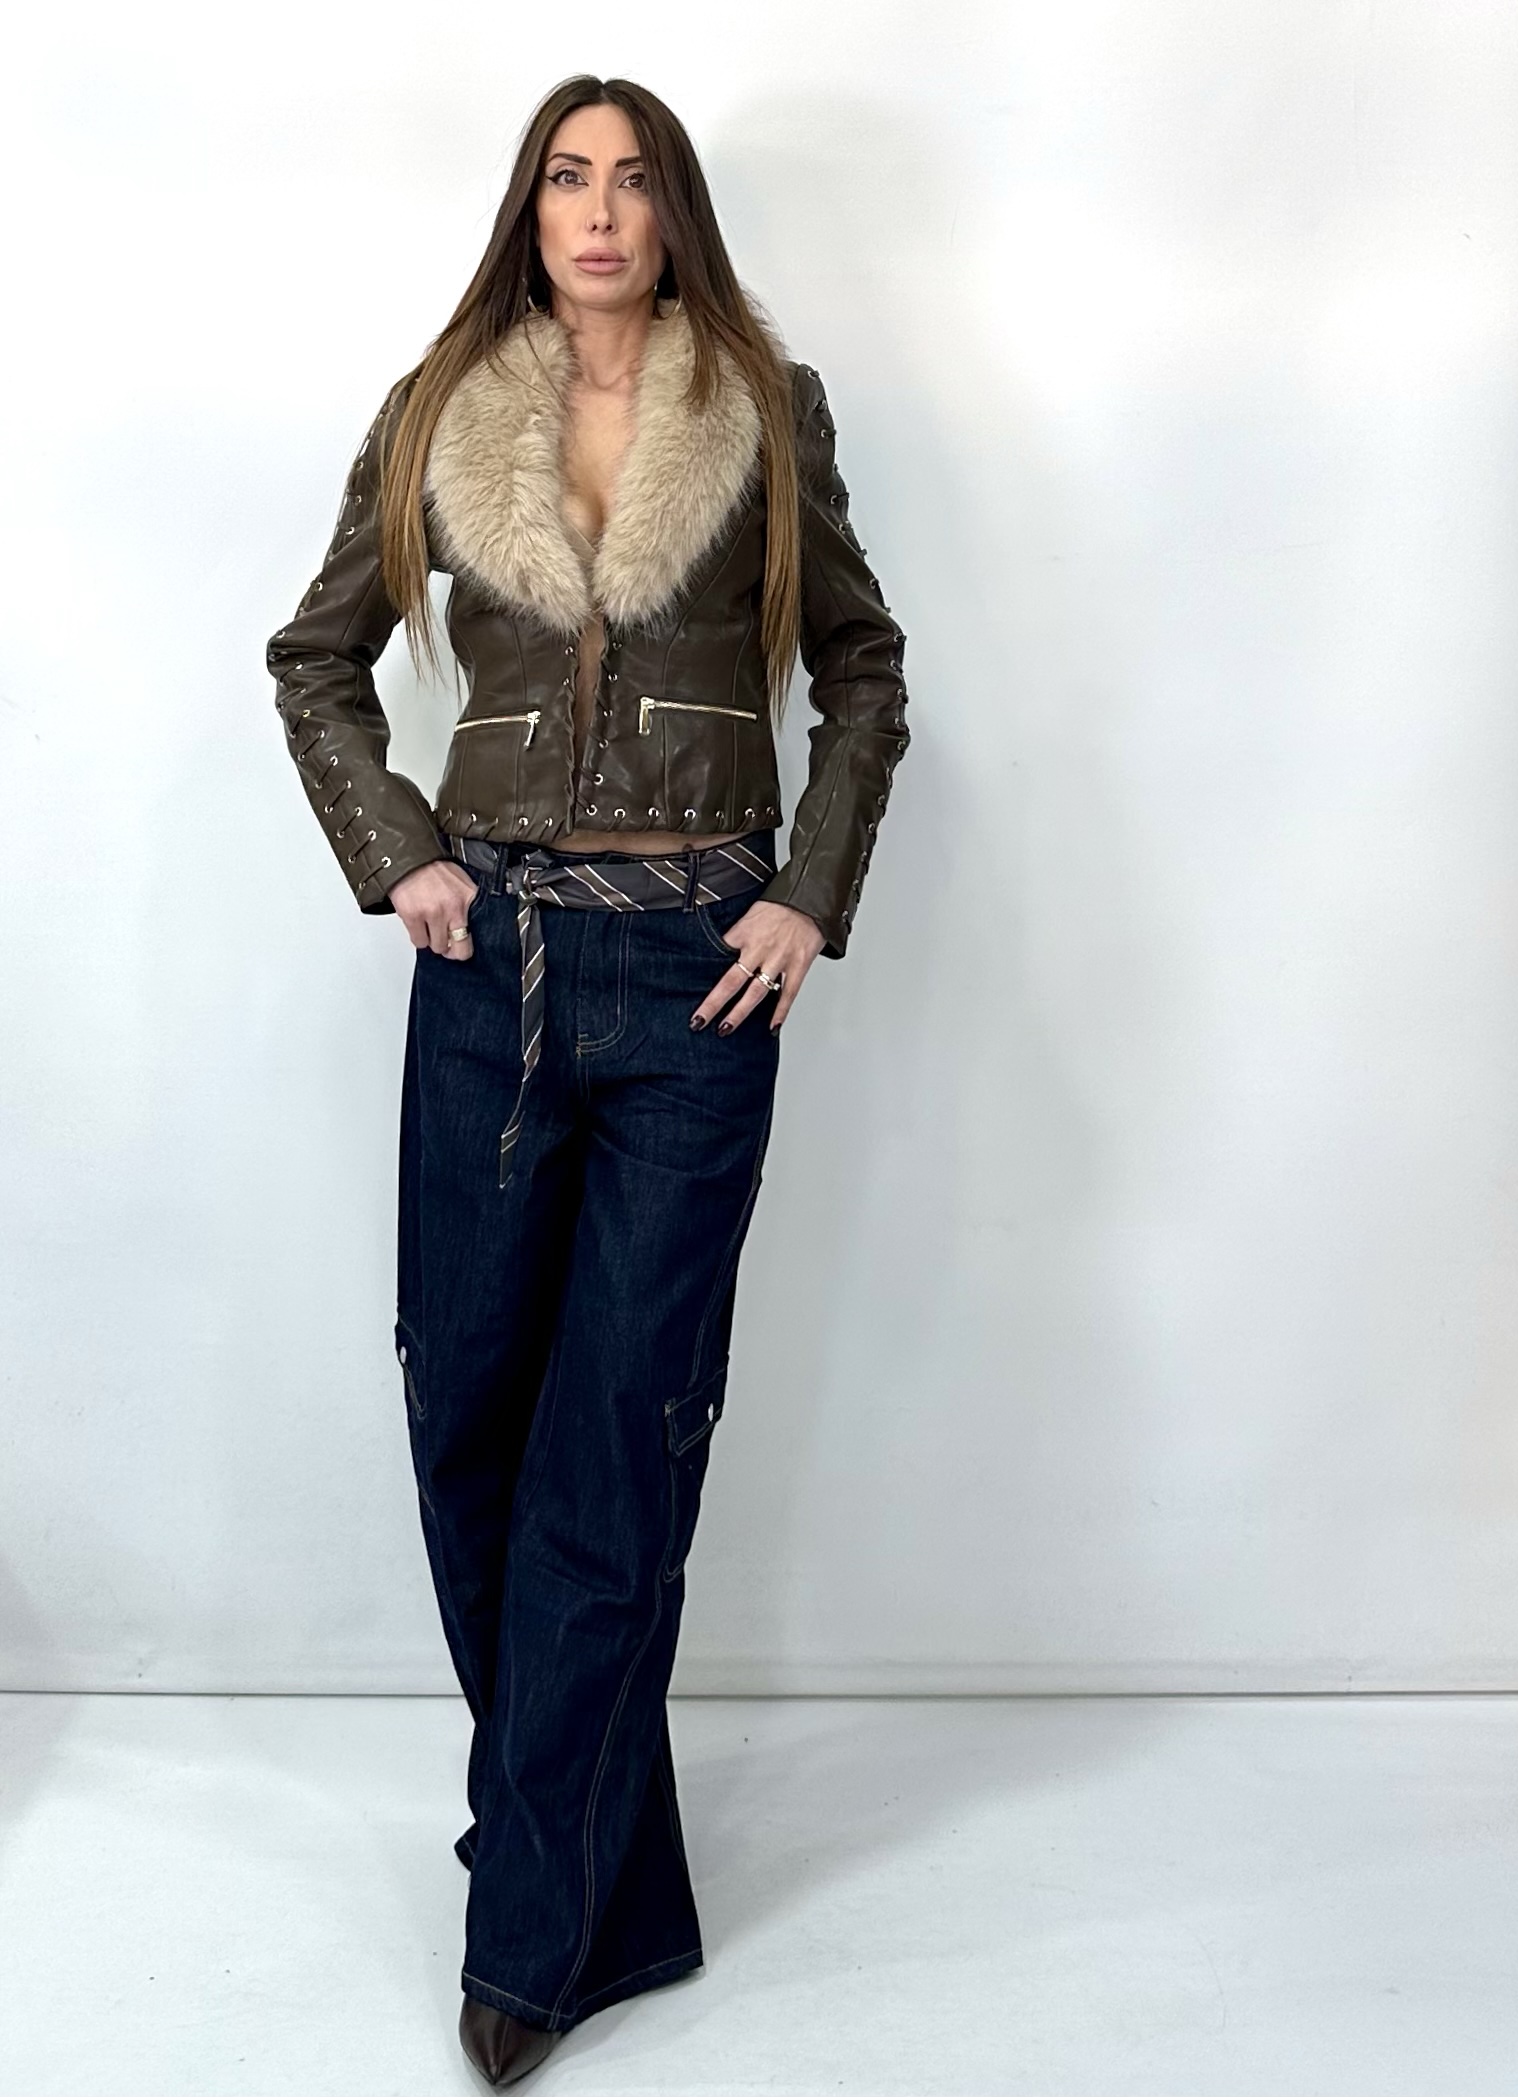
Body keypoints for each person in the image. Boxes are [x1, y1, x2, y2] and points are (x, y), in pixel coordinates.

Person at [265, 72, 910, 2087]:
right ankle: (606, 1880)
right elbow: (313, 658)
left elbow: (864, 669)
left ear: (672, 209)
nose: (602, 209)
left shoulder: (765, 412)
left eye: (633, 179)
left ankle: (527, 1938)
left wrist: (806, 892)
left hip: (698, 976)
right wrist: (403, 852)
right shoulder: (437, 410)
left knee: (618, 1454)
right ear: (530, 209)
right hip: (491, 966)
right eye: (568, 176)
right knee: (467, 1417)